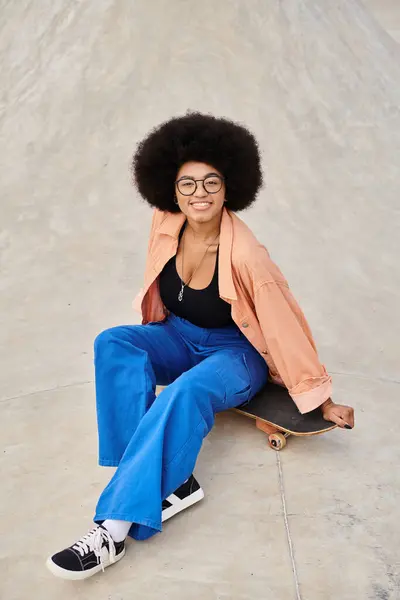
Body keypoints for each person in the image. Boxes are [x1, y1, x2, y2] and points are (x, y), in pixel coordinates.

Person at [46, 112, 355, 580]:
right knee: (114, 343)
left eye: (211, 183)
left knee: (186, 392)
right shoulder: (165, 222)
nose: (199, 194)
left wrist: (320, 397)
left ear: (230, 188)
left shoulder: (248, 256)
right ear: (171, 191)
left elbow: (285, 327)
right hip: (179, 334)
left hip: (236, 354)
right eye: (187, 184)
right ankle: (169, 479)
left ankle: (112, 530)